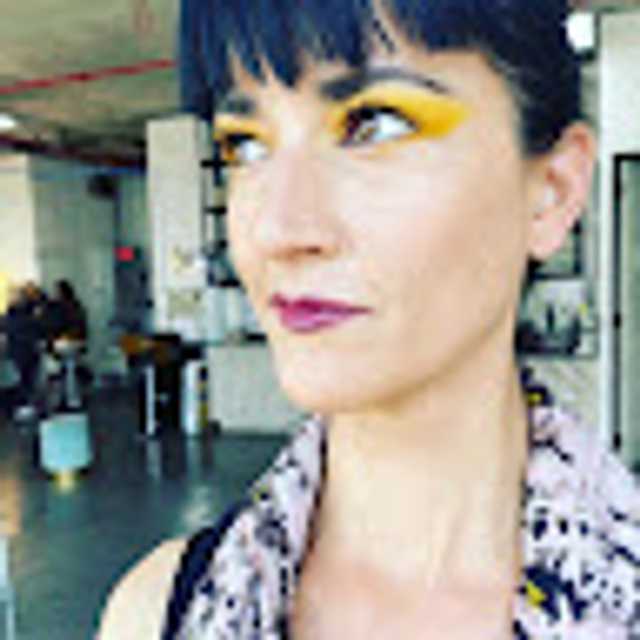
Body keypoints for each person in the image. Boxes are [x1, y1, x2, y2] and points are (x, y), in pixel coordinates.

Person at [99, 1, 639, 637]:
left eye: (375, 123)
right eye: (244, 145)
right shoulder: (157, 612)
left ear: (552, 190)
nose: (277, 230)